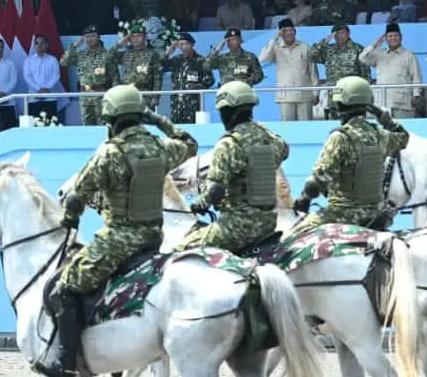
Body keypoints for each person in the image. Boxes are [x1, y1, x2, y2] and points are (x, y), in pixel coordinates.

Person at [31, 85, 198, 377]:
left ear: (112, 120)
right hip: (153, 239)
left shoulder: (110, 153)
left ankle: (65, 364)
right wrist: (157, 119)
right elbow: (190, 142)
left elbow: (76, 198)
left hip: (119, 240)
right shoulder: (160, 148)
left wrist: (70, 220)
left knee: (62, 290)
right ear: (137, 116)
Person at [174, 81, 289, 253]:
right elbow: (284, 152)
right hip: (268, 223)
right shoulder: (272, 138)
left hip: (237, 227)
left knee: (180, 249)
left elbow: (216, 190)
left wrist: (199, 204)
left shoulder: (229, 143)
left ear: (228, 112)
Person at [289, 76, 409, 237]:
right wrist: (382, 115)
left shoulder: (340, 137)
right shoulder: (380, 134)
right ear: (368, 105)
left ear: (340, 105)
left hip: (342, 215)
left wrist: (304, 199)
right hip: (375, 216)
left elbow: (317, 181)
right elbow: (403, 137)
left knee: (291, 238)